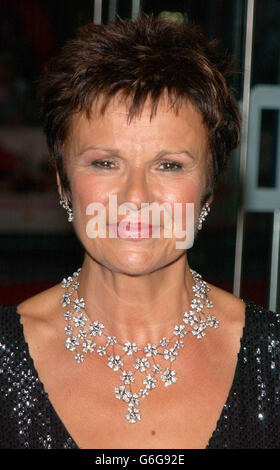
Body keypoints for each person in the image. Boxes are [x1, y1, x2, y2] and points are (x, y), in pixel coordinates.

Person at [0, 14, 279, 450]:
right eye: (104, 162)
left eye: (169, 165)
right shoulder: (4, 360)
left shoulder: (273, 363)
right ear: (63, 184)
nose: (135, 196)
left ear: (209, 190)